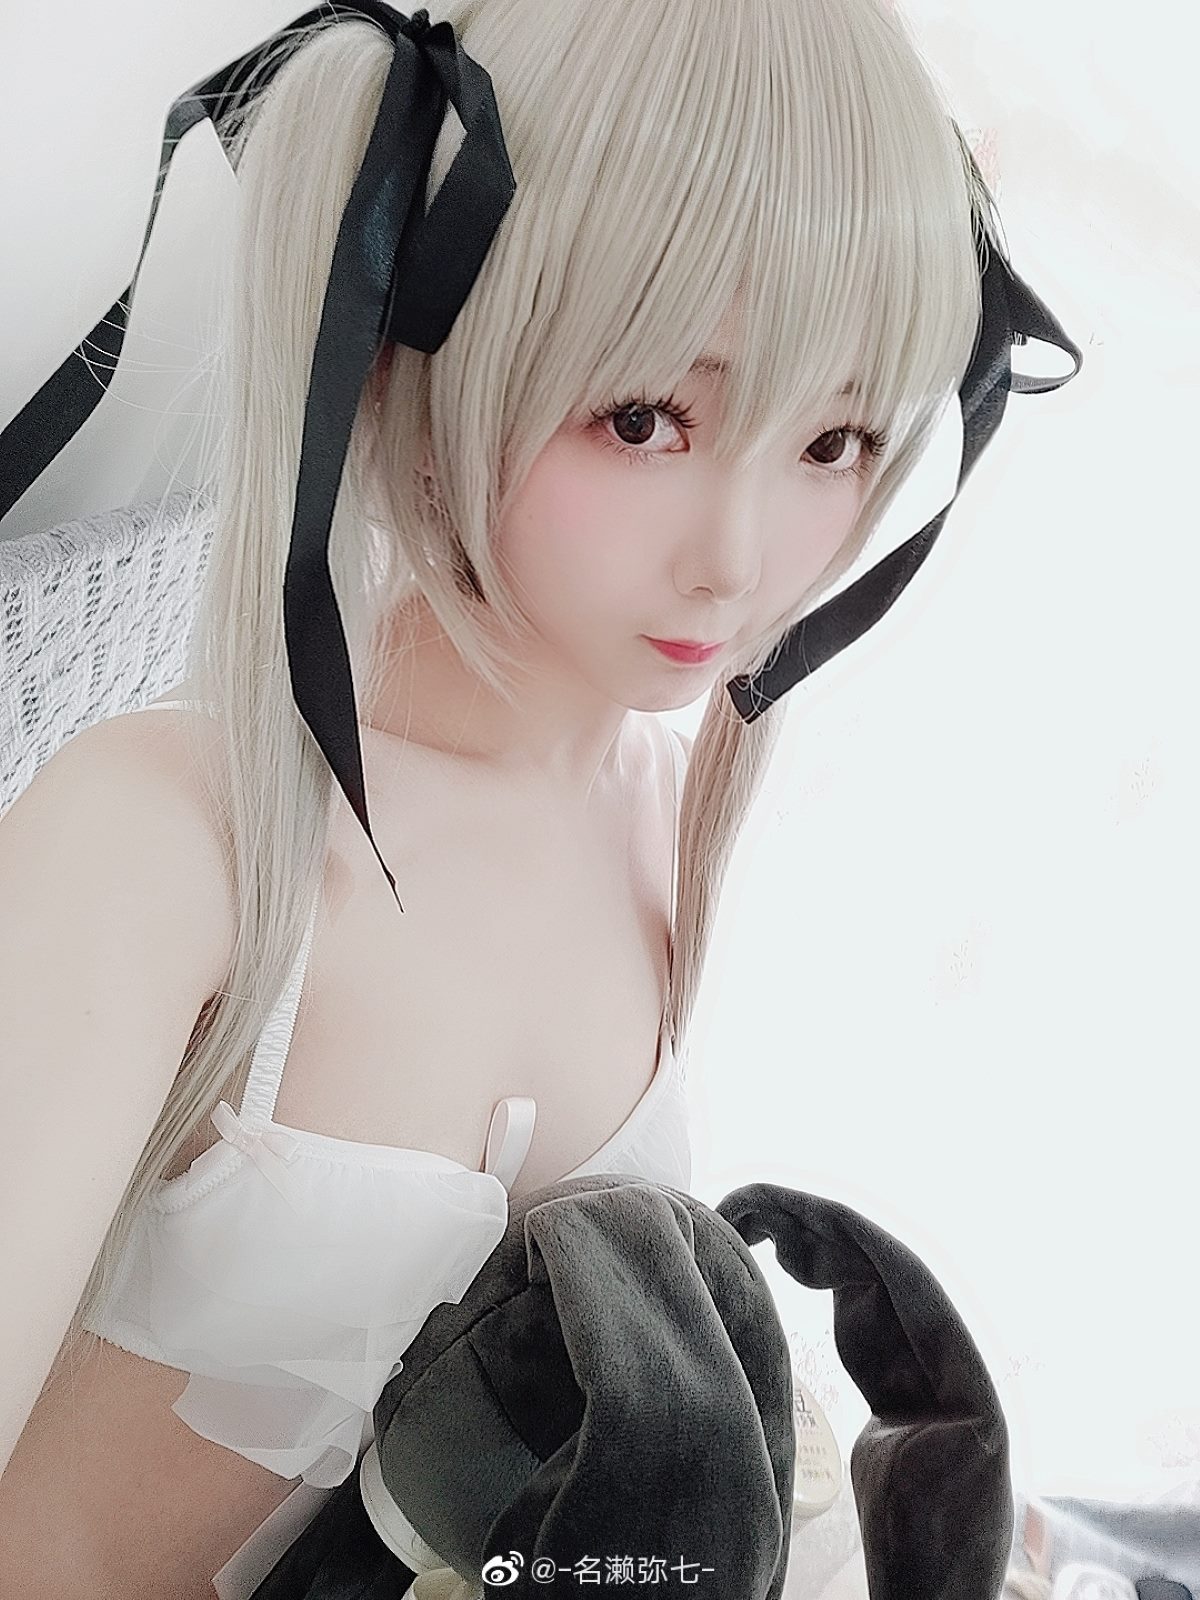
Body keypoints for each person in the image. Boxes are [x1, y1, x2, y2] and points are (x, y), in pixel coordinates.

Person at [0, 0, 1010, 1593]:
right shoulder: (167, 839)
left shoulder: (663, 810)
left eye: (833, 439)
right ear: (422, 341)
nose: (737, 559)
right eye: (645, 420)